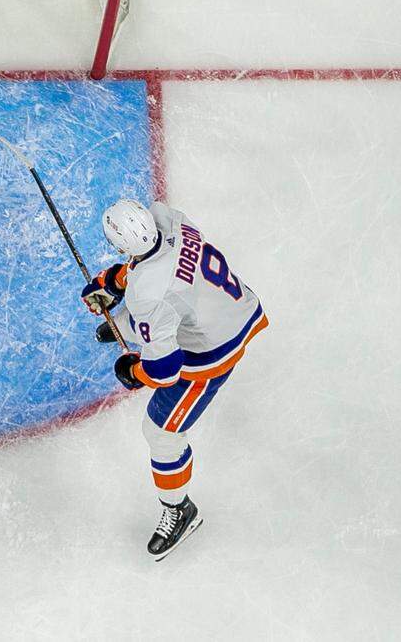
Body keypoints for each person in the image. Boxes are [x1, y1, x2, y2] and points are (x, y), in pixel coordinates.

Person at [81, 199, 267, 560]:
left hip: (211, 352)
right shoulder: (170, 219)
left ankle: (180, 510)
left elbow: (164, 372)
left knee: (161, 433)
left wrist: (132, 371)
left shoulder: (148, 297)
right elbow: (158, 269)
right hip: (226, 306)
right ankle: (129, 326)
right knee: (158, 318)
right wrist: (115, 282)